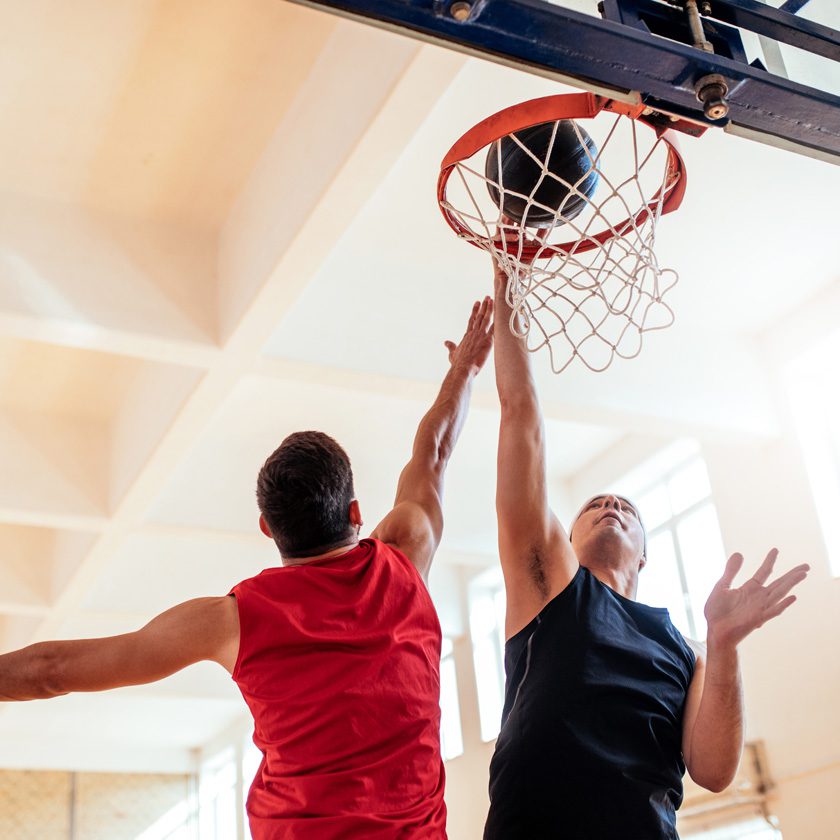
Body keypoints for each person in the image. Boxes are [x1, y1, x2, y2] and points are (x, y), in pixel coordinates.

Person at [0, 298, 494, 839]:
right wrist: (463, 372)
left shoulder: (229, 621)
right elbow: (435, 451)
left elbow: (51, 670)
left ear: (267, 527)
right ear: (355, 512)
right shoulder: (406, 555)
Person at [485, 257, 809, 839]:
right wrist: (508, 279)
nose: (611, 507)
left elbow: (713, 770)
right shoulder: (548, 584)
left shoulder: (684, 648)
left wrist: (726, 642)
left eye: (627, 510)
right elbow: (521, 417)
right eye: (594, 505)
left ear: (645, 553)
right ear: (568, 535)